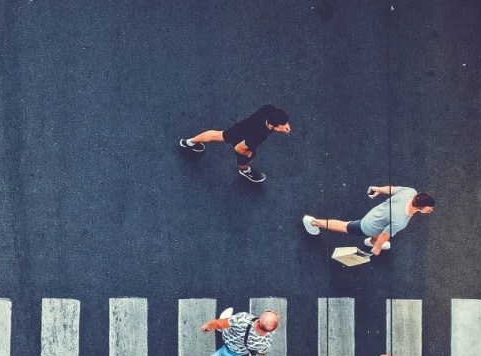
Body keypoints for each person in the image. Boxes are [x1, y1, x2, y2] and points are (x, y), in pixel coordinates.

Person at [303, 186, 434, 255]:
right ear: (420, 208)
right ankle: (312, 222)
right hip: (368, 226)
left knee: (381, 230)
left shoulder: (410, 192)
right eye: (429, 209)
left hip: (378, 215)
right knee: (345, 227)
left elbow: (392, 189)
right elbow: (384, 235)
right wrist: (377, 248)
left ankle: (371, 241)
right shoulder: (401, 220)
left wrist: (378, 190)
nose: (430, 211)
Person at [178, 104, 291, 182]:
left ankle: (189, 142)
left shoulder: (269, 109)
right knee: (245, 157)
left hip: (240, 128)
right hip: (245, 140)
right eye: (283, 125)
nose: (286, 126)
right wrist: (249, 153)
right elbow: (238, 148)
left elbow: (276, 119)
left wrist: (282, 124)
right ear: (272, 125)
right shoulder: (259, 135)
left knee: (217, 135)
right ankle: (244, 170)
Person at [183, 307, 280, 356]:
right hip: (235, 350)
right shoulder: (266, 341)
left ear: (260, 319)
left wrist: (208, 326)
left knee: (227, 321)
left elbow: (220, 323)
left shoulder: (243, 318)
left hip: (228, 335)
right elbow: (261, 352)